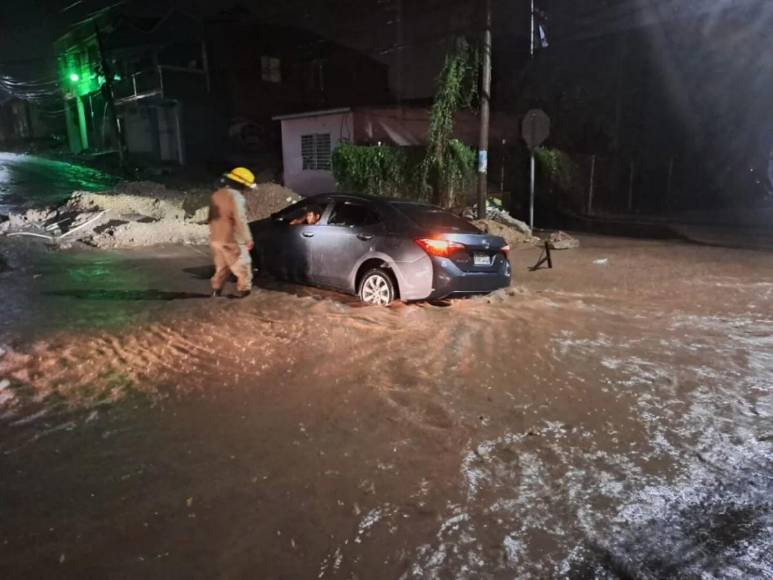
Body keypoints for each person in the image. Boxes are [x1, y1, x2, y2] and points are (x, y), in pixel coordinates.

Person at [208, 167, 256, 298]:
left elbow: (211, 218)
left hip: (216, 238)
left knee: (222, 268)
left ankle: (216, 290)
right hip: (232, 239)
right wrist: (247, 238)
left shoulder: (216, 195)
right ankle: (244, 292)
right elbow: (240, 219)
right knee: (243, 266)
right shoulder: (236, 197)